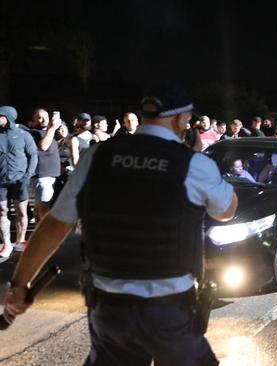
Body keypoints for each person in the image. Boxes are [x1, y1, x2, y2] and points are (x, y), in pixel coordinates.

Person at [2, 85, 238, 365]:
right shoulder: (193, 164)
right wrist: (196, 156)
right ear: (180, 120)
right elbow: (227, 211)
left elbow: (55, 225)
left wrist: (20, 284)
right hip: (169, 312)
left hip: (109, 311)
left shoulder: (97, 156)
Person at [0, 106, 38, 259]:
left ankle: (20, 241)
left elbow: (33, 155)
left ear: (8, 117)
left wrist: (28, 175)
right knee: (2, 212)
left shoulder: (23, 134)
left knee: (21, 212)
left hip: (19, 180)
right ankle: (7, 243)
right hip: (1, 181)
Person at [28, 109, 61, 227]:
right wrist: (52, 129)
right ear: (34, 120)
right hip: (42, 176)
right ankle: (45, 237)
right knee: (44, 210)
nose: (44, 120)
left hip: (51, 176)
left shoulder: (49, 133)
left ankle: (38, 235)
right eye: (40, 117)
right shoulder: (32, 133)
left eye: (46, 117)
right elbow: (43, 147)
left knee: (40, 209)